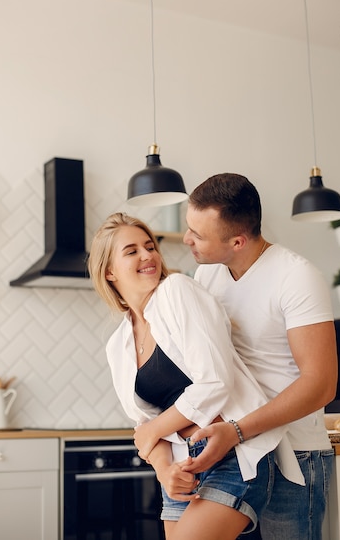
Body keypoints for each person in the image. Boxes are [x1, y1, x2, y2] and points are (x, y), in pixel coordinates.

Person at [88, 211, 303, 540]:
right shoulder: (117, 344)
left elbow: (215, 381)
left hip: (233, 453)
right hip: (180, 468)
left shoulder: (177, 291)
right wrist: (164, 471)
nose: (147, 255)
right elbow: (144, 424)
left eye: (150, 246)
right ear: (109, 271)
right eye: (131, 251)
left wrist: (152, 432)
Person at [182, 173, 338, 540]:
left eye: (198, 235)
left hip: (295, 453)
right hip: (235, 454)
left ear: (237, 241)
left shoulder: (296, 277)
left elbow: (321, 384)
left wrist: (236, 431)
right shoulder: (206, 275)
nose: (187, 239)